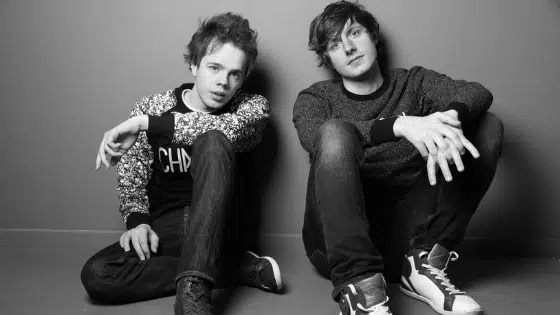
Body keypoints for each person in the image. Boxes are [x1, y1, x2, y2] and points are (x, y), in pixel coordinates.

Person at [292, 1, 503, 315]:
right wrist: (402, 125)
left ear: (373, 35)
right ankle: (360, 291)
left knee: (486, 125)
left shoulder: (412, 83)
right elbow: (313, 136)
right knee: (333, 133)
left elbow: (478, 92)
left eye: (354, 33)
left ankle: (423, 264)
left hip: (407, 237)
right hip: (336, 246)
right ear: (328, 57)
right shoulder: (317, 97)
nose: (348, 48)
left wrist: (447, 121)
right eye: (336, 44)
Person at [81, 12, 283, 315]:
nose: (222, 82)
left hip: (221, 227)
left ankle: (193, 293)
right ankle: (230, 269)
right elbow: (132, 175)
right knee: (97, 274)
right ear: (193, 64)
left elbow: (230, 130)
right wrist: (138, 221)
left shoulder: (251, 108)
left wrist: (146, 125)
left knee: (214, 139)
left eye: (234, 74)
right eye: (214, 68)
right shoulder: (153, 107)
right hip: (168, 229)